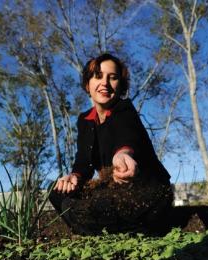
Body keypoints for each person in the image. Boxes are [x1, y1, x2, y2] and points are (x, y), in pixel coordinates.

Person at [49, 53, 173, 235]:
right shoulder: (84, 120)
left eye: (113, 78)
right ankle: (101, 227)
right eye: (98, 76)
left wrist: (123, 154)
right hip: (111, 190)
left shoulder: (124, 109)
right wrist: (74, 176)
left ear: (120, 85)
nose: (105, 83)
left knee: (101, 202)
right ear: (87, 84)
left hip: (147, 189)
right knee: (57, 192)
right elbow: (83, 160)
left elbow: (128, 136)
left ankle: (105, 228)